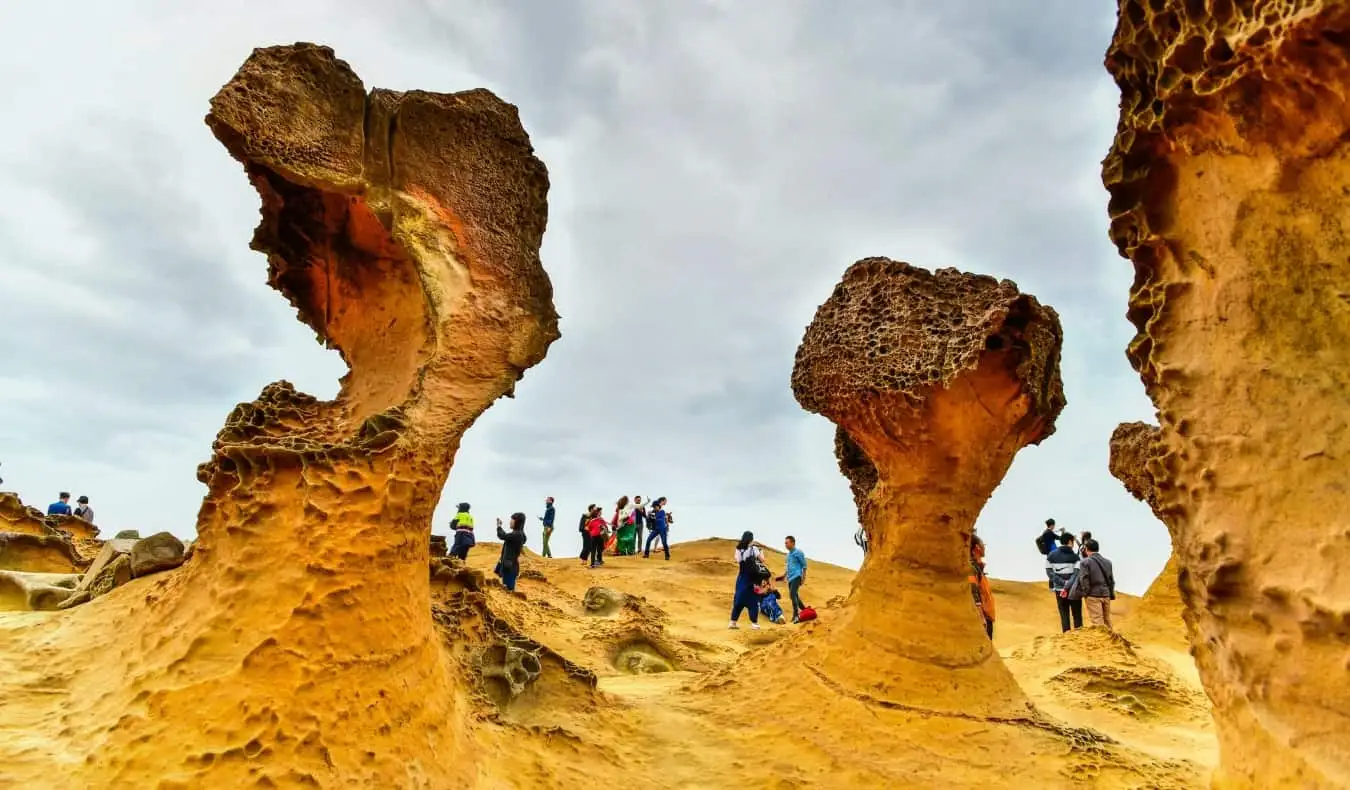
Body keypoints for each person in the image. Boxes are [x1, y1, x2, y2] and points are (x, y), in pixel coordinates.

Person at [729, 531, 767, 630]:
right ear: (751, 539)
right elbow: (762, 560)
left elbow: (737, 560)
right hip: (752, 577)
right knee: (753, 600)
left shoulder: (738, 549)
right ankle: (754, 623)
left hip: (741, 577)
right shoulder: (753, 549)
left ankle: (733, 622)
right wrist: (761, 550)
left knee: (738, 599)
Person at [1046, 533, 1083, 632]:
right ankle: (1079, 639)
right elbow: (1076, 574)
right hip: (1073, 590)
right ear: (1070, 542)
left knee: (1064, 615)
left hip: (1059, 590)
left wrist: (1062, 583)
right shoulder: (1076, 557)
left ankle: (1066, 638)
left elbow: (1049, 573)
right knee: (1077, 616)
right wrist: (1068, 585)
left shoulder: (1051, 556)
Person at [1078, 539, 1116, 629]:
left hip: (1093, 595)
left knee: (1097, 622)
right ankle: (1113, 641)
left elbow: (1084, 579)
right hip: (1106, 594)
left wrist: (1085, 593)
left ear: (1086, 549)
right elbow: (1111, 580)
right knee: (1107, 620)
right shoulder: (1108, 562)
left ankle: (1102, 643)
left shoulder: (1085, 562)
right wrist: (1110, 593)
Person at [968, 534, 996, 639]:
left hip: (986, 618)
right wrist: (981, 617)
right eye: (983, 544)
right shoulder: (971, 568)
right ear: (977, 548)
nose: (984, 547)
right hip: (982, 619)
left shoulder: (978, 568)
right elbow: (973, 591)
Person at [777, 536, 809, 623]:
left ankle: (795, 615)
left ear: (793, 543)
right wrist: (783, 576)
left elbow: (804, 566)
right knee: (795, 595)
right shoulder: (788, 555)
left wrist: (803, 577)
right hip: (790, 578)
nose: (785, 545)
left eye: (787, 543)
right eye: (785, 543)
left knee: (792, 594)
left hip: (797, 576)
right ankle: (804, 609)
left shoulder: (798, 552)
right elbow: (788, 567)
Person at [494, 513, 528, 591]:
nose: (510, 522)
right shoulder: (519, 534)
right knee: (507, 587)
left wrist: (499, 526)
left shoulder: (517, 534)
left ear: (517, 522)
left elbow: (502, 536)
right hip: (510, 565)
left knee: (508, 589)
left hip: (510, 566)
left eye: (512, 520)